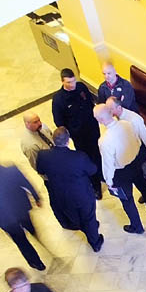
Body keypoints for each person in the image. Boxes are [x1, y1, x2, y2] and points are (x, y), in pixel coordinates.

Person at [0, 146, 46, 271]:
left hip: (7, 221)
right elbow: (27, 183)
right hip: (22, 210)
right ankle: (34, 234)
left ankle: (36, 263)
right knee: (29, 226)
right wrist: (37, 198)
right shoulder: (12, 170)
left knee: (21, 242)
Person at [94, 104, 146, 234]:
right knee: (144, 186)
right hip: (135, 163)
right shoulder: (126, 124)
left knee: (127, 200)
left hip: (121, 173)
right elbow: (137, 141)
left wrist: (109, 181)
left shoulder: (104, 141)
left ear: (100, 120)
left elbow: (108, 164)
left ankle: (137, 226)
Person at [36, 127, 103, 251]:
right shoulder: (79, 157)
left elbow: (40, 170)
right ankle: (95, 242)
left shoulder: (43, 155)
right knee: (89, 217)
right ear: (68, 141)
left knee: (75, 216)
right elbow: (93, 170)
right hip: (81, 194)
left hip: (61, 195)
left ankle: (85, 228)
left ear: (53, 140)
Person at [106, 96, 146, 205]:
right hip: (131, 154)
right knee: (141, 175)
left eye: (110, 109)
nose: (109, 111)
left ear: (119, 108)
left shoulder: (133, 119)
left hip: (142, 152)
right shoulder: (117, 119)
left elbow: (145, 136)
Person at [52, 69, 102, 199]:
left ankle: (102, 175)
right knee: (87, 159)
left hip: (92, 129)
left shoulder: (81, 87)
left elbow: (90, 104)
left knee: (97, 154)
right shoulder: (58, 100)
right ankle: (95, 185)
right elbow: (59, 122)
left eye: (73, 81)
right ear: (62, 81)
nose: (72, 84)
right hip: (80, 137)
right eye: (69, 82)